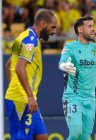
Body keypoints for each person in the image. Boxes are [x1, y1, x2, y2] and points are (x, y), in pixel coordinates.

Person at [5, 9, 57, 140]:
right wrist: (26, 95)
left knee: (42, 136)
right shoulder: (31, 40)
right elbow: (19, 68)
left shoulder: (23, 36)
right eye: (53, 27)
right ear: (43, 24)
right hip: (22, 100)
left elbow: (8, 65)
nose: (54, 31)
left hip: (26, 97)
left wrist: (16, 87)